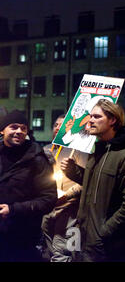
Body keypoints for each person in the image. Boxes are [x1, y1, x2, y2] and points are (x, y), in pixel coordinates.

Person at [61, 100, 125, 262]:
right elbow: (94, 185)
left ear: (112, 120)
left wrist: (104, 231)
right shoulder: (97, 151)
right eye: (90, 115)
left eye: (97, 116)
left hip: (106, 245)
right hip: (84, 238)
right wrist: (73, 171)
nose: (90, 120)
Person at [0, 110, 57, 261]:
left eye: (23, 128)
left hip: (22, 238)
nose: (19, 131)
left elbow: (49, 199)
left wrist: (13, 209)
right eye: (13, 127)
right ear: (2, 130)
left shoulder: (37, 159)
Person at [41, 115, 88, 262]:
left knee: (63, 250)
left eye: (62, 126)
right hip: (48, 208)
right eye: (55, 125)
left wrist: (66, 196)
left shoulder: (80, 151)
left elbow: (85, 181)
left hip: (69, 209)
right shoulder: (46, 150)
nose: (57, 128)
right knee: (48, 248)